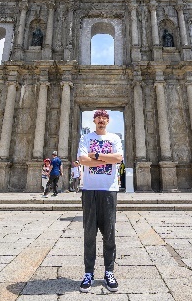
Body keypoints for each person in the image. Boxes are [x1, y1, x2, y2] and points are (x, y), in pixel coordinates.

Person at [77, 109, 124, 293]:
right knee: (89, 234)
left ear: (108, 121)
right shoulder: (85, 138)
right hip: (89, 190)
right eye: (98, 118)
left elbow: (119, 158)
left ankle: (109, 271)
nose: (101, 121)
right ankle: (88, 273)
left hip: (109, 190)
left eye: (104, 118)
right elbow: (82, 159)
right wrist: (106, 160)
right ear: (94, 120)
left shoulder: (114, 138)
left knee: (109, 234)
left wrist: (94, 156)